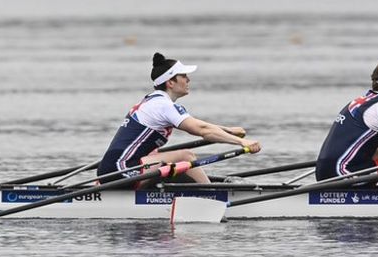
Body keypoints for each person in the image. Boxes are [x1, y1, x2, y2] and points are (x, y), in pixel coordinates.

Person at [98, 52, 261, 188]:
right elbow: (202, 130)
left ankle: (200, 190)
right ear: (170, 82)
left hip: (112, 170)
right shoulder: (163, 106)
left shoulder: (153, 102)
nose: (188, 80)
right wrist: (242, 143)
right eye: (183, 76)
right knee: (186, 156)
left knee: (176, 165)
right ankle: (213, 195)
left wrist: (227, 130)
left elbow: (199, 124)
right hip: (121, 170)